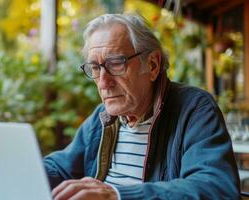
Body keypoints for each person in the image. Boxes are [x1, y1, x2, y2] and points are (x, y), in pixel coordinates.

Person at [44, 13, 241, 200]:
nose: (103, 82)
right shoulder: (102, 117)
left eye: (116, 64)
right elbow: (59, 167)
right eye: (95, 68)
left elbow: (216, 187)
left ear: (153, 65)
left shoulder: (194, 108)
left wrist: (116, 195)